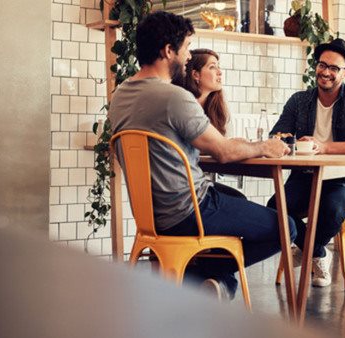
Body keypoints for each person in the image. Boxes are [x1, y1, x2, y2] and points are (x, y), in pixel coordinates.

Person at [108, 11, 295, 300]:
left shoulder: (120, 96)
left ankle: (207, 279)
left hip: (151, 215)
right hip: (188, 209)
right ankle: (201, 276)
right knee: (287, 226)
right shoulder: (173, 97)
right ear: (167, 50)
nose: (186, 57)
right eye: (185, 49)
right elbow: (223, 151)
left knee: (238, 200)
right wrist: (263, 147)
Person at [267, 38, 345, 287]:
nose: (326, 72)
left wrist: (324, 146)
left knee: (331, 207)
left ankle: (306, 250)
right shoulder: (299, 101)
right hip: (306, 176)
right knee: (275, 206)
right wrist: (292, 142)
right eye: (322, 65)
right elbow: (277, 136)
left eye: (334, 68)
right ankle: (317, 252)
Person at [172, 48, 245, 198]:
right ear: (196, 74)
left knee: (237, 197)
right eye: (212, 67)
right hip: (183, 185)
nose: (220, 72)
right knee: (238, 199)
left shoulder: (218, 107)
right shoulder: (182, 106)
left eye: (219, 67)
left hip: (197, 181)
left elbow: (224, 141)